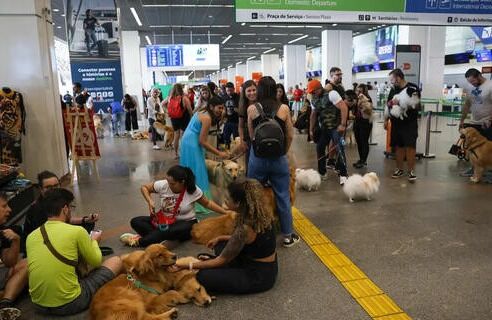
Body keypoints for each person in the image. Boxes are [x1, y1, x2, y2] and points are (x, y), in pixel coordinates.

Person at [26, 188, 122, 316]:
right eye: (71, 207)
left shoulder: (31, 237)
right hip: (71, 303)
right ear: (65, 209)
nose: (71, 211)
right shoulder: (76, 231)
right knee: (115, 261)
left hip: (38, 305)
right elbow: (97, 261)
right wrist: (94, 241)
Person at [173, 179, 277, 294]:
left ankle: (224, 267)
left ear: (238, 203)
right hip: (267, 265)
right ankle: (225, 266)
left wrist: (187, 265)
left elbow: (221, 260)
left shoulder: (245, 228)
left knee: (203, 276)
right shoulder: (262, 213)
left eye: (228, 199)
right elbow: (249, 241)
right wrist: (221, 237)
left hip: (258, 276)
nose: (225, 200)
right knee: (220, 245)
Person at [120, 165, 233, 247]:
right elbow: (144, 188)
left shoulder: (192, 190)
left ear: (182, 182)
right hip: (164, 222)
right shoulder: (164, 184)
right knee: (136, 221)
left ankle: (141, 241)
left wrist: (225, 212)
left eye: (172, 184)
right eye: (168, 182)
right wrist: (150, 201)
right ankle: (161, 240)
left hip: (185, 223)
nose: (169, 185)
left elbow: (208, 203)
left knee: (171, 231)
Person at [246, 76, 299, 247]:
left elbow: (252, 135)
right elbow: (290, 134)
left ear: (259, 90)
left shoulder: (252, 109)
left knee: (254, 195)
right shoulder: (283, 108)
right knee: (283, 195)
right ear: (275, 89)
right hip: (278, 158)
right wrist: (283, 151)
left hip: (258, 159)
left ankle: (255, 232)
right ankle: (287, 235)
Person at [21, 171, 99, 254]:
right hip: (42, 244)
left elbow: (66, 219)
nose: (53, 190)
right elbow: (45, 237)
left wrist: (86, 219)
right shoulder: (37, 210)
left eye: (56, 186)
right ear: (41, 189)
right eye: (48, 187)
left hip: (54, 233)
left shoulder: (57, 199)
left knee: (88, 224)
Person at [180, 96, 229, 213]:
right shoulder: (207, 118)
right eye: (219, 108)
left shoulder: (202, 111)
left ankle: (188, 198)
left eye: (222, 108)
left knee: (189, 171)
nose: (221, 110)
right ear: (211, 107)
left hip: (187, 141)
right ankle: (200, 202)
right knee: (198, 172)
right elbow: (202, 141)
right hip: (193, 143)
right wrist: (219, 153)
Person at [308, 78, 349, 185]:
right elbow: (313, 115)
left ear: (319, 88)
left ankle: (344, 174)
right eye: (311, 92)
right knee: (320, 147)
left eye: (313, 91)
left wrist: (343, 124)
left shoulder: (332, 94)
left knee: (339, 148)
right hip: (325, 128)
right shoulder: (314, 99)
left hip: (336, 127)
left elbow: (344, 108)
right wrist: (310, 130)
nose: (312, 94)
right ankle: (322, 172)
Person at [384, 68, 421, 181]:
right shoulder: (393, 89)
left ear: (398, 78)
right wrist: (386, 119)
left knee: (410, 147)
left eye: (392, 80)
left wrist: (401, 103)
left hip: (410, 123)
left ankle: (411, 171)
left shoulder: (412, 88)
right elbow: (389, 104)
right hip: (396, 123)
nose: (391, 82)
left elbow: (417, 105)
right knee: (398, 147)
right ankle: (399, 169)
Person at [459, 68, 492, 177]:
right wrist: (462, 119)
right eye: (470, 82)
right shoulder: (469, 87)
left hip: (488, 123)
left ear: (479, 76)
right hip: (474, 122)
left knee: (488, 149)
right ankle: (473, 168)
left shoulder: (490, 86)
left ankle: (490, 172)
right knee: (473, 148)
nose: (472, 84)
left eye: (473, 81)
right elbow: (467, 104)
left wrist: (490, 120)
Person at [0, 193, 28, 319]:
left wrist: (16, 240)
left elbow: (9, 262)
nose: (9, 210)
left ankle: (5, 305)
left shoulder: (3, 230)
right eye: (4, 206)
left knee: (28, 263)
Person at [162, 84, 193, 158]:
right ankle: (184, 153)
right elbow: (189, 109)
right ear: (181, 89)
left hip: (174, 118)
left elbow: (162, 104)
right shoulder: (184, 98)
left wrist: (167, 112)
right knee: (183, 136)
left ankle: (175, 154)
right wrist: (192, 117)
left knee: (176, 135)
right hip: (184, 118)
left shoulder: (170, 98)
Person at [352, 84, 374, 168]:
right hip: (357, 122)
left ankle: (364, 160)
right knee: (358, 142)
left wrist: (362, 107)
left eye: (360, 91)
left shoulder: (368, 99)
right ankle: (361, 159)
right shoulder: (356, 99)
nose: (358, 92)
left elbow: (369, 112)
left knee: (364, 141)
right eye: (357, 91)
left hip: (365, 123)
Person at [238, 80, 258, 172]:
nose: (252, 93)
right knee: (250, 167)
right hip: (248, 141)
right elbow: (241, 126)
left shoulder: (262, 104)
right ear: (244, 93)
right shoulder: (243, 106)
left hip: (260, 139)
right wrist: (242, 141)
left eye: (254, 90)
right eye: (249, 91)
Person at [222, 82, 240, 149]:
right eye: (227, 91)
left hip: (236, 121)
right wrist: (222, 119)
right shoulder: (224, 97)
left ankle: (236, 153)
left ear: (234, 89)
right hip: (227, 121)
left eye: (231, 90)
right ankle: (227, 151)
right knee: (226, 138)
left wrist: (235, 109)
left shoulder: (238, 97)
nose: (229, 92)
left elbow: (241, 111)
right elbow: (223, 109)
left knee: (236, 139)